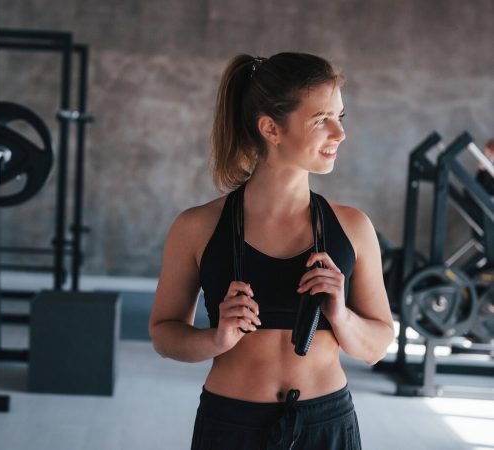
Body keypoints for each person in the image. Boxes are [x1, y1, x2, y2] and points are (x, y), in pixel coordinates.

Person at [148, 53, 394, 450]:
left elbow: (378, 345)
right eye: (321, 120)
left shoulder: (353, 227)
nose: (339, 133)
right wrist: (217, 339)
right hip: (231, 425)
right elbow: (163, 334)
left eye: (340, 117)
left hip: (326, 425)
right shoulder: (196, 228)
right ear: (271, 129)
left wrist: (340, 315)